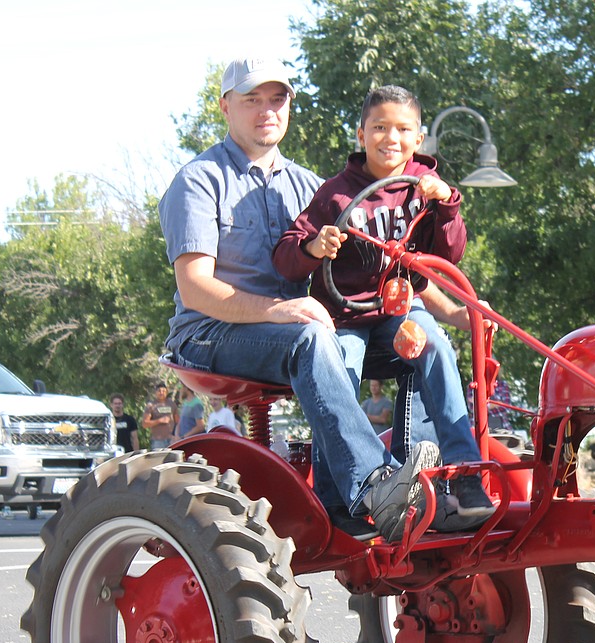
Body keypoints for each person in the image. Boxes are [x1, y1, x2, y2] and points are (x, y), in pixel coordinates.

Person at [158, 57, 444, 542]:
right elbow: (195, 288)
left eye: (277, 98)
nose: (267, 110)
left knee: (419, 342)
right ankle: (376, 486)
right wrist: (279, 310)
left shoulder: (312, 187)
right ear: (225, 106)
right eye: (252, 99)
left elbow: (377, 266)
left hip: (297, 333)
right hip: (209, 335)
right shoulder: (199, 181)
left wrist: (456, 310)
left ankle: (425, 486)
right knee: (310, 338)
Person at [272, 84, 493, 523]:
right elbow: (286, 257)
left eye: (402, 129)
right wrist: (314, 247)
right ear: (360, 134)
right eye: (379, 128)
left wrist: (447, 206)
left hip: (398, 313)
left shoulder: (425, 192)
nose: (390, 138)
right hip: (346, 317)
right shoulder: (335, 194)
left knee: (435, 348)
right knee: (338, 372)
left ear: (417, 139)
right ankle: (340, 502)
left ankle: (461, 475)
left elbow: (447, 257)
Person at [142, 382, 177, 450]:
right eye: (159, 391)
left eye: (163, 391)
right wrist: (159, 420)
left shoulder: (172, 404)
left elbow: (178, 421)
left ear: (166, 392)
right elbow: (145, 424)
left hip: (172, 440)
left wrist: (176, 436)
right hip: (157, 441)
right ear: (155, 392)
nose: (161, 393)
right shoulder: (151, 405)